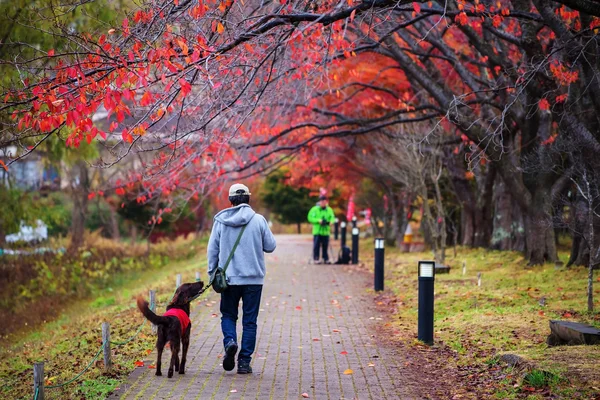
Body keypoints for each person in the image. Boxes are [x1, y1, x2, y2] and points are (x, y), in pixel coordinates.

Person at [207, 183, 276, 374]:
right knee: (250, 321)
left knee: (228, 315)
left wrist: (212, 273)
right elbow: (271, 246)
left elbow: (212, 250)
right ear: (248, 199)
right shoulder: (259, 220)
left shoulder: (220, 221)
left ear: (230, 200)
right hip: (254, 280)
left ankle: (230, 341)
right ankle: (244, 363)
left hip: (229, 280)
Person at [307, 195, 335, 264]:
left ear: (326, 202)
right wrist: (318, 220)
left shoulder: (329, 210)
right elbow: (310, 218)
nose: (323, 203)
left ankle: (325, 258)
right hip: (317, 230)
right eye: (321, 201)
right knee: (316, 245)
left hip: (326, 231)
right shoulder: (315, 209)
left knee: (325, 245)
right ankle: (316, 258)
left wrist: (331, 222)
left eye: (324, 201)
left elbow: (332, 217)